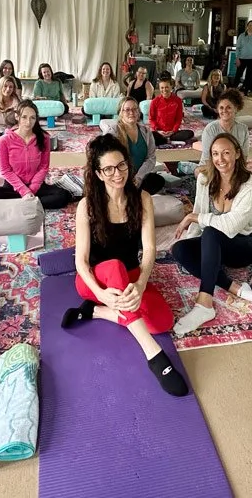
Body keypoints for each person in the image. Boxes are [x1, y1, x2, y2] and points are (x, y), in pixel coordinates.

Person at [61, 134, 187, 397]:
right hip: (93, 280)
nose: (117, 174)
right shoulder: (87, 206)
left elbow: (150, 249)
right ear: (98, 173)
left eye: (121, 166)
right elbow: (80, 261)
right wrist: (99, 293)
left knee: (163, 320)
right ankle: (155, 356)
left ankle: (96, 313)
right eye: (108, 169)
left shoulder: (142, 199)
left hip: (129, 277)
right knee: (115, 267)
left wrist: (140, 284)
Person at [171, 133, 252, 335]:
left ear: (238, 154)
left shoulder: (250, 186)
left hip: (242, 245)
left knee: (212, 232)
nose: (220, 159)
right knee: (180, 249)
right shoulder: (205, 179)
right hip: (213, 242)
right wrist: (193, 243)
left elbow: (230, 226)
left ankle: (204, 303)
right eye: (215, 154)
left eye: (226, 153)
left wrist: (193, 217)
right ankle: (236, 289)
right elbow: (199, 212)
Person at [0, 100, 71, 209]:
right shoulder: (4, 140)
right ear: (17, 116)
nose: (28, 122)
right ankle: (31, 203)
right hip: (14, 186)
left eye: (32, 118)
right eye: (24, 117)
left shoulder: (44, 138)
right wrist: (24, 192)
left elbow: (44, 166)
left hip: (36, 184)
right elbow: (5, 170)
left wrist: (32, 189)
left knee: (62, 196)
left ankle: (21, 204)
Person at [198, 88, 252, 179]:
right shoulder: (210, 129)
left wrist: (232, 169)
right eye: (221, 108)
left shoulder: (243, 129)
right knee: (199, 173)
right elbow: (208, 159)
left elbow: (244, 156)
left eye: (229, 107)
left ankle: (234, 182)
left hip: (234, 167)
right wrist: (223, 170)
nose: (224, 111)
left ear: (236, 109)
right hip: (214, 167)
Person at [114, 96, 165, 195]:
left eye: (134, 109)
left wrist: (138, 178)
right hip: (120, 177)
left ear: (138, 111)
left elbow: (151, 158)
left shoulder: (146, 131)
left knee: (158, 180)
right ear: (120, 113)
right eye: (127, 110)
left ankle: (132, 193)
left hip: (139, 177)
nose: (131, 113)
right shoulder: (114, 133)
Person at [148, 78, 195, 146]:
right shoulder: (155, 101)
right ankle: (169, 140)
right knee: (148, 136)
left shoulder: (178, 100)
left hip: (173, 132)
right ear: (159, 88)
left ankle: (167, 140)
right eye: (162, 88)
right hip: (159, 132)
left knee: (190, 133)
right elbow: (151, 119)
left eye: (166, 87)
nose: (164, 90)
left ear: (171, 87)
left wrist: (173, 131)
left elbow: (179, 118)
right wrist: (158, 130)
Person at [233, 20, 252, 94]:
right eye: (249, 25)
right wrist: (237, 58)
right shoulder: (241, 36)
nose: (251, 27)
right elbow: (237, 48)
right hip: (242, 58)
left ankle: (246, 91)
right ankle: (233, 90)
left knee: (249, 76)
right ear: (247, 26)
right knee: (238, 74)